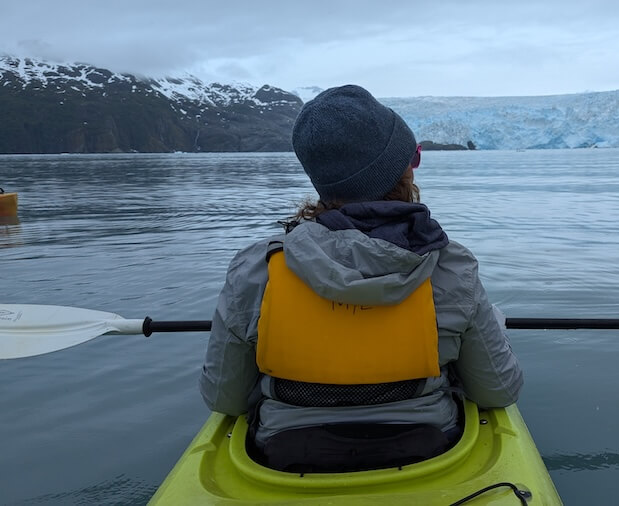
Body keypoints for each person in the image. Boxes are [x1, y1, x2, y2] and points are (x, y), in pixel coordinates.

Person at [199, 84, 523, 472]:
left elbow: (224, 399)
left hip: (282, 457)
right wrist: (493, 331)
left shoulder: (256, 269)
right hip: (432, 452)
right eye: (413, 158)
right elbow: (498, 390)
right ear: (401, 172)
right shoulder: (451, 268)